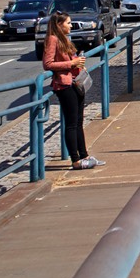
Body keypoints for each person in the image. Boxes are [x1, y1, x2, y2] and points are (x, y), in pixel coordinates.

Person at [42, 11, 104, 170]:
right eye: (68, 23)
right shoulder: (52, 39)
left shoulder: (64, 39)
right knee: (71, 123)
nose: (71, 25)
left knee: (78, 122)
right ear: (58, 25)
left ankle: (85, 156)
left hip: (76, 83)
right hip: (64, 85)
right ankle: (76, 160)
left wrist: (78, 62)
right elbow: (48, 64)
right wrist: (72, 64)